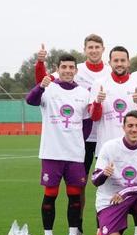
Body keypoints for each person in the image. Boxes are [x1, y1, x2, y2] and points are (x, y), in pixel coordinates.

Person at [26, 54, 93, 235]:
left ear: (76, 70)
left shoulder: (83, 93)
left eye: (71, 67)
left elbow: (88, 122)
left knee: (74, 195)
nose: (68, 70)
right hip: (52, 152)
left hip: (74, 154)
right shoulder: (49, 88)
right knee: (50, 194)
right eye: (64, 67)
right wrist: (40, 86)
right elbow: (30, 100)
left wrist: (78, 139)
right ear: (58, 68)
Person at [34, 34, 111, 173]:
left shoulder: (110, 71)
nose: (94, 50)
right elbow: (43, 81)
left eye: (97, 47)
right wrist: (40, 62)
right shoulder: (73, 69)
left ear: (103, 49)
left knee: (110, 177)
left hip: (105, 134)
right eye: (90, 47)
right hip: (83, 135)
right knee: (81, 179)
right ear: (84, 50)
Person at [92, 46, 137, 156]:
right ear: (109, 63)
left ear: (128, 62)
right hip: (106, 147)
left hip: (133, 147)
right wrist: (97, 103)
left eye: (123, 60)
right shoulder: (99, 83)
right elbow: (94, 117)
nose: (119, 64)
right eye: (116, 61)